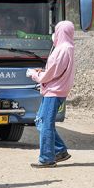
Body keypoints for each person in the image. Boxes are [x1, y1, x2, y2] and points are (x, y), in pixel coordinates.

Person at [26, 21, 76, 168]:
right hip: (56, 90)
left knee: (45, 124)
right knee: (41, 121)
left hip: (54, 92)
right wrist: (43, 72)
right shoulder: (68, 47)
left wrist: (35, 75)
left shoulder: (62, 50)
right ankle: (60, 151)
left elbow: (51, 74)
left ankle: (47, 158)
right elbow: (56, 71)